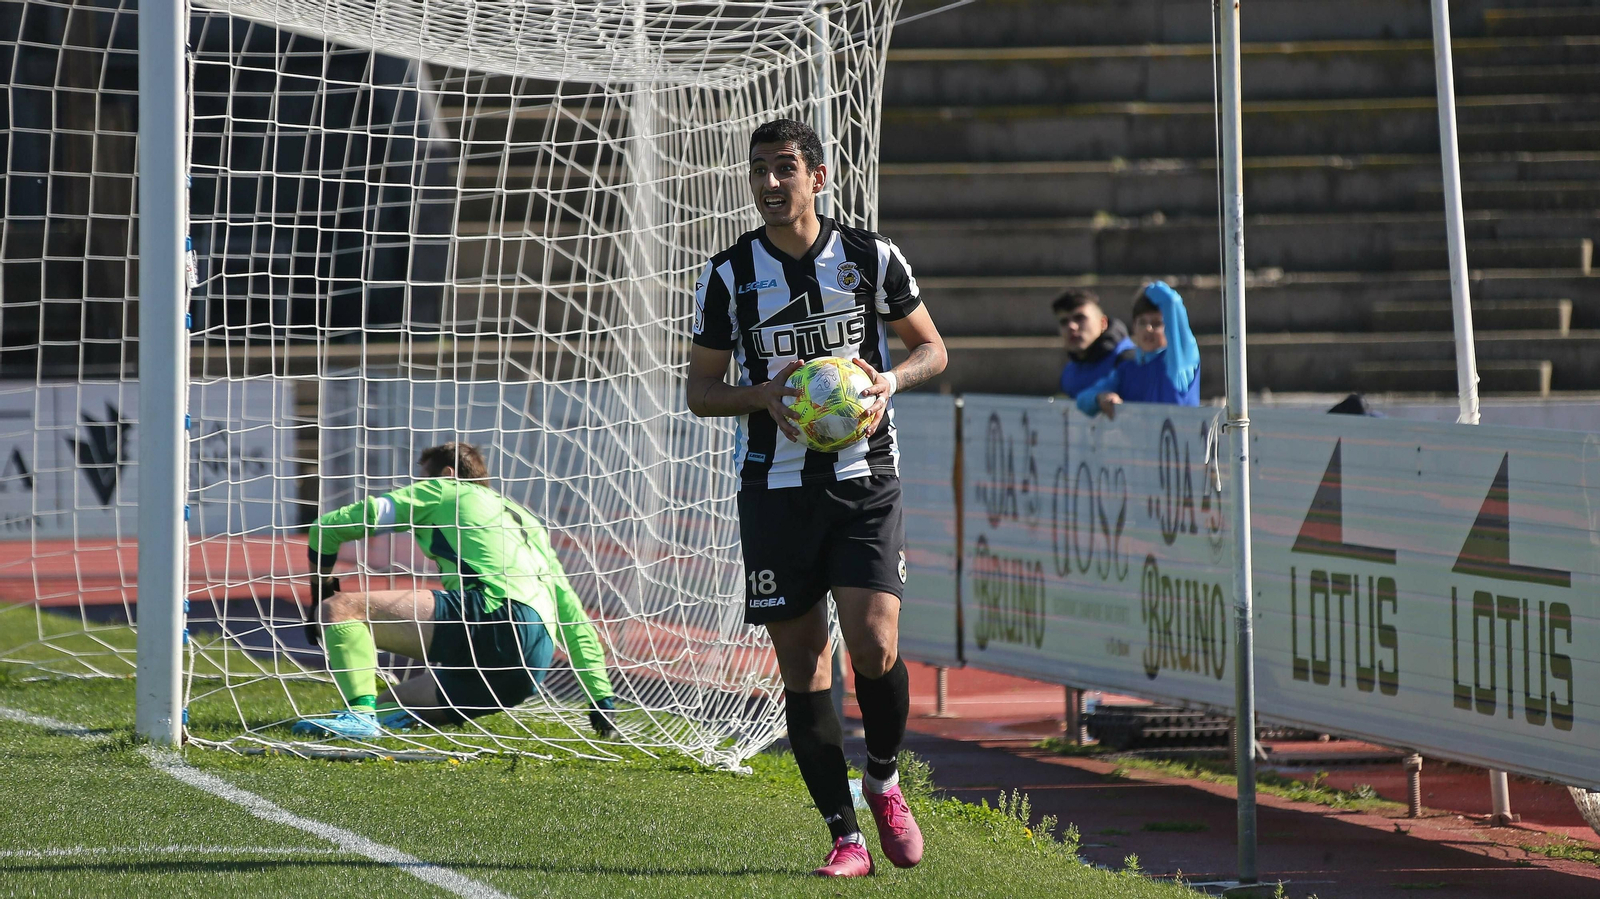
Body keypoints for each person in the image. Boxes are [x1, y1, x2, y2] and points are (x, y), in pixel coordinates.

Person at [684, 118, 947, 878]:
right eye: (760, 170)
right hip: (775, 489)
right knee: (804, 663)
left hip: (865, 478)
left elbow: (932, 347)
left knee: (875, 644)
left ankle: (886, 777)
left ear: (819, 178)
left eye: (786, 169)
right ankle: (845, 834)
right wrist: (760, 393)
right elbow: (701, 391)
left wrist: (886, 380)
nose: (771, 183)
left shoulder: (871, 256)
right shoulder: (729, 275)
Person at [293, 442, 617, 740]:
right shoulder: (528, 523)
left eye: (423, 479)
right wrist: (601, 700)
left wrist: (321, 594)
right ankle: (374, 715)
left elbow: (329, 528)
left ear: (448, 475)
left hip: (495, 617)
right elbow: (573, 617)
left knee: (342, 609)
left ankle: (358, 719)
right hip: (530, 665)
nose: (420, 487)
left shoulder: (444, 490)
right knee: (388, 704)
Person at [1077, 280, 1200, 419]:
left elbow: (1171, 301)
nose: (1148, 329)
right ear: (1133, 327)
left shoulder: (1179, 361)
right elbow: (1082, 399)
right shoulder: (1126, 369)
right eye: (1142, 322)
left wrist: (1147, 289)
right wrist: (1100, 398)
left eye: (1157, 323)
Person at [1054, 288, 1136, 399]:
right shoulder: (1069, 371)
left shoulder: (1131, 361)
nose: (1071, 326)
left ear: (1103, 323)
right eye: (1064, 322)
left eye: (1080, 318)